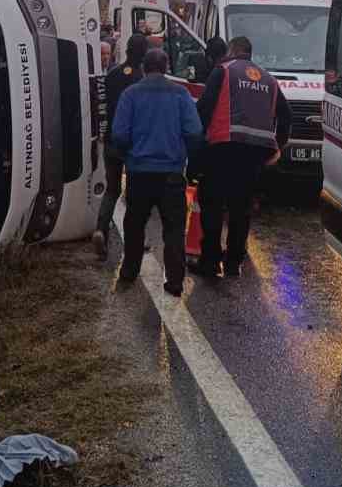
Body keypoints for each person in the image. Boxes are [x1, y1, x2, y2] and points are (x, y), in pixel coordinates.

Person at [193, 36, 291, 278]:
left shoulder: (223, 71)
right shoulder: (268, 79)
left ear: (233, 50)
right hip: (255, 153)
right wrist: (275, 147)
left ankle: (210, 260)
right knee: (241, 208)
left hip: (223, 147)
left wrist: (198, 147)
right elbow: (286, 116)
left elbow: (204, 108)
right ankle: (234, 263)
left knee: (213, 204)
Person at [112, 46, 203, 297]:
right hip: (172, 173)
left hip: (139, 172)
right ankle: (174, 281)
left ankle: (129, 271)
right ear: (166, 69)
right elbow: (194, 132)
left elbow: (119, 134)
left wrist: (128, 155)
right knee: (173, 228)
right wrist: (186, 156)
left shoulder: (130, 95)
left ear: (143, 67)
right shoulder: (180, 94)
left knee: (134, 224)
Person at [93, 33, 148, 259]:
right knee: (135, 195)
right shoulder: (143, 78)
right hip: (134, 145)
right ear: (143, 53)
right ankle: (135, 240)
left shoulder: (113, 74)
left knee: (112, 190)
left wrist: (102, 134)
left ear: (125, 50)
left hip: (112, 142)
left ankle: (100, 230)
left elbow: (102, 105)